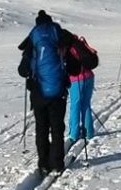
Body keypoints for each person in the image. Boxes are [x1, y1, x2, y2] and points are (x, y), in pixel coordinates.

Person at [18, 10, 79, 176]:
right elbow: (75, 68)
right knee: (57, 128)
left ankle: (43, 163)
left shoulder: (33, 42)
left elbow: (22, 70)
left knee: (41, 128)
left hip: (38, 93)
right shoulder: (59, 40)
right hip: (58, 93)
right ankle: (57, 163)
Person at [67, 35, 96, 143]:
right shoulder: (82, 44)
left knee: (75, 105)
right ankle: (89, 131)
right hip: (89, 76)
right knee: (86, 104)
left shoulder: (70, 48)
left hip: (76, 79)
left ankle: (74, 133)